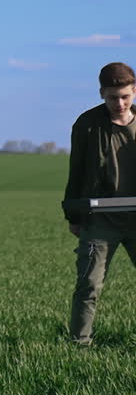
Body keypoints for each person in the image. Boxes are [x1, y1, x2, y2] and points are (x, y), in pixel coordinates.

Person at [64, 61, 136, 346]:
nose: (119, 103)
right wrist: (73, 215)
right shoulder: (87, 125)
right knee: (89, 284)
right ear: (101, 94)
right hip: (100, 219)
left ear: (134, 92)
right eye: (112, 97)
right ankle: (79, 344)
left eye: (125, 96)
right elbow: (77, 170)